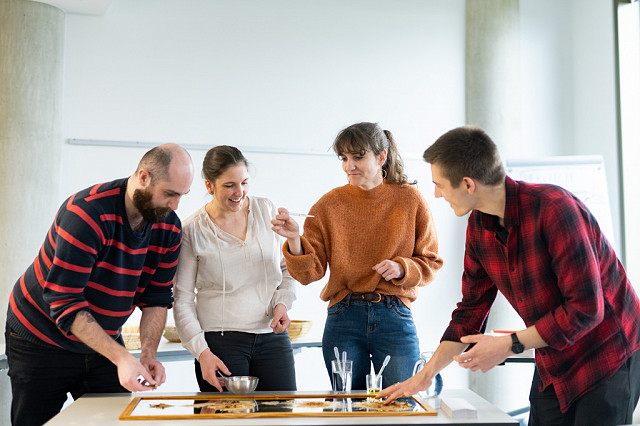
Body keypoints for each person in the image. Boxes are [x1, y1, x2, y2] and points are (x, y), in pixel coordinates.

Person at [378, 125, 640, 426]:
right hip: (554, 362)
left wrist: (509, 344)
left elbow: (586, 309)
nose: (436, 194)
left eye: (439, 184)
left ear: (467, 184)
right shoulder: (478, 228)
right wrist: (424, 377)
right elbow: (470, 311)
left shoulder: (554, 209)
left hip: (608, 355)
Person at [5, 143, 194, 426]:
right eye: (169, 194)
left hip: (99, 338)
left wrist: (146, 354)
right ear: (143, 177)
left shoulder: (169, 227)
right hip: (40, 337)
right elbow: (65, 303)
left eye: (182, 196)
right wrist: (121, 358)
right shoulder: (87, 214)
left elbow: (156, 297)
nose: (176, 205)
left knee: (114, 420)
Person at [271, 122, 444, 391]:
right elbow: (310, 274)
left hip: (394, 314)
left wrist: (402, 268)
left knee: (402, 404)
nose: (349, 166)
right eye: (344, 158)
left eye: (358, 157)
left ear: (381, 156)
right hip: (344, 316)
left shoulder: (410, 200)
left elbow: (431, 261)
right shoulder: (329, 204)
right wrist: (294, 238)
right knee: (349, 408)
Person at [173, 145, 297, 392]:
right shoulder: (191, 230)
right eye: (229, 185)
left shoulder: (267, 210)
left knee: (283, 416)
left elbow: (286, 269)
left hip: (272, 336)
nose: (239, 192)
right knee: (227, 419)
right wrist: (202, 353)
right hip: (221, 342)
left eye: (244, 183)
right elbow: (183, 300)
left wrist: (282, 303)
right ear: (209, 186)